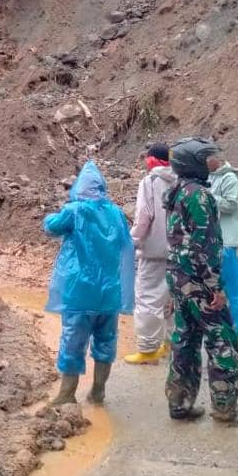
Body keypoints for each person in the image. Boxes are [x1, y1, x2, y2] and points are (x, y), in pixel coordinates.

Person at [164, 137, 238, 425]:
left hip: (178, 279)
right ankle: (225, 408)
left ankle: (179, 403)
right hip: (200, 283)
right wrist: (215, 286)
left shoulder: (175, 192)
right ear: (193, 163)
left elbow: (180, 242)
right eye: (205, 159)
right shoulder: (200, 196)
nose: (210, 163)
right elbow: (204, 245)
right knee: (222, 343)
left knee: (184, 342)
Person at [44, 160, 134, 406]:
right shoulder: (115, 213)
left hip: (79, 292)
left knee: (73, 340)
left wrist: (54, 213)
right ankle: (98, 391)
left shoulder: (74, 211)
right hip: (109, 294)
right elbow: (126, 246)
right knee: (106, 341)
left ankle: (66, 394)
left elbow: (51, 227)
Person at [124, 143, 175, 365]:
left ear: (152, 160)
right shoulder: (181, 180)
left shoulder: (150, 182)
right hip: (177, 250)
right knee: (171, 299)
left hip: (153, 251)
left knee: (147, 299)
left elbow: (144, 216)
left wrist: (130, 241)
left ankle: (147, 349)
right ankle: (171, 343)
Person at [208, 149, 238, 336]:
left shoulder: (230, 178)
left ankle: (237, 324)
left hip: (228, 239)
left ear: (216, 158)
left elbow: (231, 205)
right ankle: (222, 321)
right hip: (217, 238)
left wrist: (208, 198)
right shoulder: (211, 177)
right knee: (217, 284)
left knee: (231, 284)